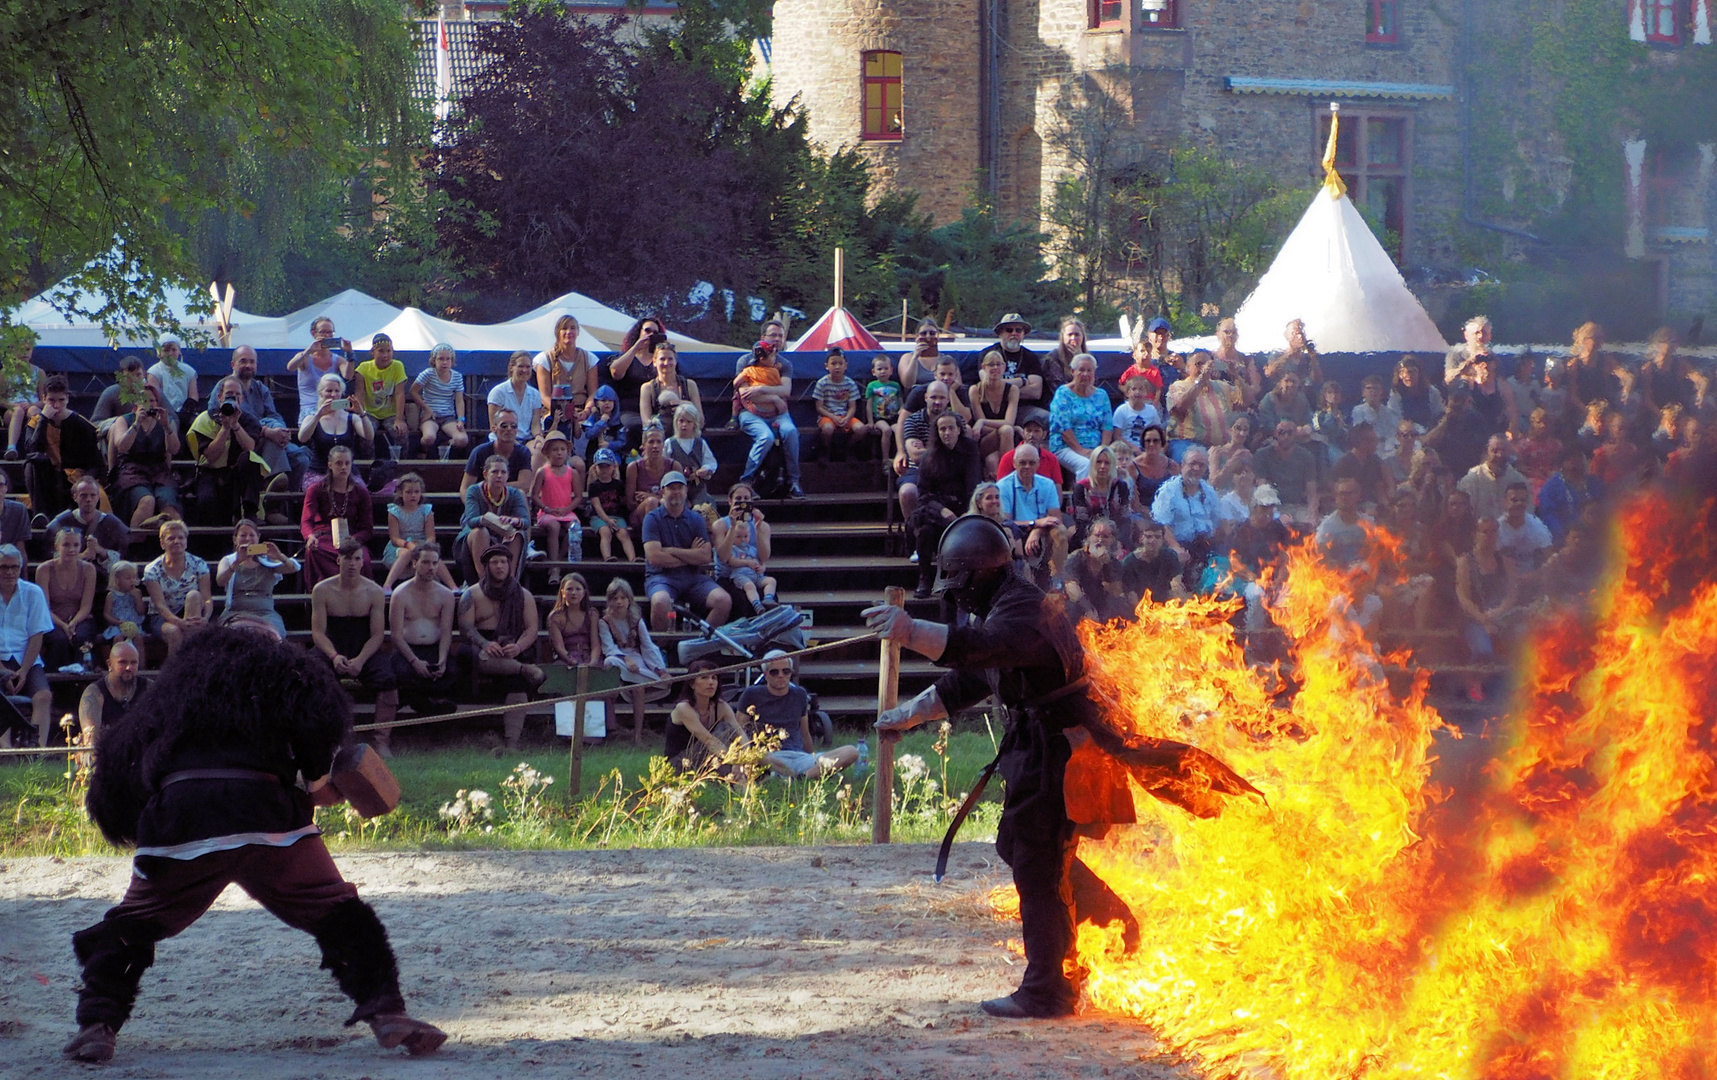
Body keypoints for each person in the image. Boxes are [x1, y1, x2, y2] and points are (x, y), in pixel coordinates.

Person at [866, 516, 1255, 1020]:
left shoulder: (1023, 612)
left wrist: (911, 630)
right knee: (1023, 846)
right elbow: (974, 677)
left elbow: (979, 648)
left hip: (1062, 752)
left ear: (983, 574)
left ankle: (1049, 990)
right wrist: (910, 715)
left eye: (962, 586)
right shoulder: (1004, 606)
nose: (959, 598)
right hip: (1043, 746)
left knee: (1037, 857)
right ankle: (1112, 922)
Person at [66, 627, 446, 1064]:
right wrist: (322, 784)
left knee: (132, 924)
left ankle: (97, 1025)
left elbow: (119, 773)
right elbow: (317, 744)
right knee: (338, 910)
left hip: (180, 818)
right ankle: (388, 1012)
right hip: (268, 817)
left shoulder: (167, 694)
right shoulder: (287, 677)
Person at [309, 538, 399, 751]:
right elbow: (318, 633)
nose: (352, 563)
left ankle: (381, 741)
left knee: (388, 679)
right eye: (348, 558)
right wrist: (333, 656)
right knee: (311, 676)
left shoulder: (374, 591)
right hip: (332, 645)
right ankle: (328, 739)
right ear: (338, 560)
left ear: (362, 562)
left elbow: (377, 635)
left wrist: (360, 659)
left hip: (363, 646)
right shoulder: (322, 590)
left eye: (357, 559)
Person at [459, 546, 546, 748]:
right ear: (486, 567)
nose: (500, 566)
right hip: (481, 645)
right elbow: (466, 628)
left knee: (517, 684)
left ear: (510, 565)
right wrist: (485, 643)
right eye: (495, 562)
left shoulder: (524, 595)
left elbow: (532, 630)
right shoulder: (471, 594)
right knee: (470, 654)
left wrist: (518, 647)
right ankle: (524, 669)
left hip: (512, 645)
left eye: (504, 562)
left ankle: (511, 743)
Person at [737, 650, 863, 778]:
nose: (781, 675)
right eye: (774, 672)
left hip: (798, 757)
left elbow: (805, 733)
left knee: (851, 751)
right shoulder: (751, 694)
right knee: (757, 755)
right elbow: (737, 731)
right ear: (765, 675)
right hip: (767, 755)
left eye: (786, 671)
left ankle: (801, 778)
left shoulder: (799, 694)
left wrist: (813, 758)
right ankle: (801, 776)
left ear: (791, 673)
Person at [642, 470, 732, 632]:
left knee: (723, 600)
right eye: (671, 488)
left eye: (680, 487)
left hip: (693, 578)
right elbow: (654, 558)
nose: (676, 492)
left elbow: (705, 556)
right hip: (661, 577)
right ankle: (662, 650)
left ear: (686, 491)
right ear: (663, 492)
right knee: (660, 601)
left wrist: (671, 551)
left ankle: (700, 645)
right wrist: (691, 554)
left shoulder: (696, 519)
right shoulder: (652, 518)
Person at [911, 413, 983, 596]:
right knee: (925, 529)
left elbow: (973, 485)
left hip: (964, 506)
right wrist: (942, 510)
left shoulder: (970, 449)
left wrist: (967, 513)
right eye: (942, 429)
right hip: (938, 509)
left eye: (951, 428)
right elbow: (924, 495)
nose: (947, 432)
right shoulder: (929, 457)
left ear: (959, 429)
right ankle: (925, 578)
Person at [389, 542, 466, 714]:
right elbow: (396, 636)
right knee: (404, 673)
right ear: (414, 563)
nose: (431, 568)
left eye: (434, 563)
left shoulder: (445, 595)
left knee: (452, 671)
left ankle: (426, 702)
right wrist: (414, 661)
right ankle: (424, 703)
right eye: (425, 562)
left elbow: (446, 631)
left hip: (434, 648)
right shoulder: (400, 594)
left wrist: (442, 659)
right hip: (407, 650)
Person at [186, 377, 268, 526]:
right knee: (207, 501)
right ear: (220, 397)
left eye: (237, 395)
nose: (233, 398)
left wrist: (235, 425)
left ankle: (250, 515)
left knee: (250, 459)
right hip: (210, 473)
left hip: (237, 475)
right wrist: (224, 428)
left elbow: (250, 447)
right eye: (229, 394)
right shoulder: (204, 419)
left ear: (242, 398)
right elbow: (210, 456)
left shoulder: (250, 420)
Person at [22, 375, 103, 522]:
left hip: (75, 478)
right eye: (52, 400)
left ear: (67, 398)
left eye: (61, 400)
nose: (57, 405)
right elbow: (32, 449)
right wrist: (44, 419)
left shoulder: (82, 425)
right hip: (46, 477)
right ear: (44, 398)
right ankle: (40, 515)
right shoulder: (36, 423)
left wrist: (85, 480)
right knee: (33, 462)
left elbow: (96, 463)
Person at [229, 345, 306, 497]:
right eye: (243, 361)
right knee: (272, 441)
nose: (248, 365)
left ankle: (285, 503)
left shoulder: (260, 388)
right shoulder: (226, 387)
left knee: (301, 459)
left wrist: (280, 431)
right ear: (233, 364)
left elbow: (274, 415)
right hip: (241, 441)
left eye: (252, 362)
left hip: (267, 436)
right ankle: (270, 501)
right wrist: (267, 431)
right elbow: (242, 418)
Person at [1455, 517, 1517, 702]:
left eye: (1493, 532)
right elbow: (1463, 597)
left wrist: (1495, 614)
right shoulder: (1465, 561)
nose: (1489, 536)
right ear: (1476, 534)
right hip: (1472, 618)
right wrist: (1483, 619)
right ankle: (1474, 684)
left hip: (1501, 616)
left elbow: (1511, 595)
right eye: (1485, 532)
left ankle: (1512, 690)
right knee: (1483, 649)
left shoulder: (1506, 561)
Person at [733, 339, 804, 499]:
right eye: (772, 336)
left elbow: (785, 391)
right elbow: (746, 394)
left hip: (779, 414)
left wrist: (762, 389)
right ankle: (747, 481)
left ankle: (793, 481)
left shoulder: (782, 365)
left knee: (790, 431)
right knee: (766, 437)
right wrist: (774, 398)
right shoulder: (746, 364)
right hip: (752, 413)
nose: (776, 341)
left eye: (780, 336)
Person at [0, 544, 52, 747]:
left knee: (43, 696)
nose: (9, 572)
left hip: (26, 658)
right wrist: (3, 671)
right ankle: (5, 751)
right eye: (3, 567)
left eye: (14, 567)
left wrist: (23, 670)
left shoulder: (33, 593)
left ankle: (37, 750)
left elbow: (37, 635)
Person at [895, 380, 967, 526]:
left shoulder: (957, 420)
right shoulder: (913, 420)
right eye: (933, 397)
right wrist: (945, 449)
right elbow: (915, 456)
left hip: (951, 472)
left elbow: (961, 451)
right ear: (926, 397)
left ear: (948, 399)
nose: (937, 402)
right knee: (907, 491)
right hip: (918, 472)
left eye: (941, 398)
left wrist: (926, 450)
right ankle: (914, 534)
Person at [109, 383, 182, 527]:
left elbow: (174, 449)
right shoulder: (124, 420)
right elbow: (122, 446)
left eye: (152, 401)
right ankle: (134, 543)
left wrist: (167, 427)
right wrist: (136, 424)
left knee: (169, 505)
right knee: (147, 501)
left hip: (159, 471)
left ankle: (176, 542)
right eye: (144, 401)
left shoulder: (167, 421)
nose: (149, 404)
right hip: (131, 471)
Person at [300, 445, 373, 588]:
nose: (343, 467)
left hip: (351, 539)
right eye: (339, 463)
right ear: (330, 464)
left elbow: (367, 528)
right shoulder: (316, 489)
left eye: (347, 463)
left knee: (363, 557)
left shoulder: (361, 492)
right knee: (314, 551)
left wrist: (355, 538)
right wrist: (310, 537)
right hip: (324, 537)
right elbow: (306, 521)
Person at [600, 577, 668, 727]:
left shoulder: (637, 621)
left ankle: (638, 734)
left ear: (629, 599)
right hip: (618, 659)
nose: (619, 602)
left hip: (638, 661)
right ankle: (622, 685)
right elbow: (608, 648)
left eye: (623, 598)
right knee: (609, 662)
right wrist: (625, 659)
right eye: (615, 598)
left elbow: (648, 646)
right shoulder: (604, 622)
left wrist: (660, 670)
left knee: (650, 683)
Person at [1151, 447, 1221, 591]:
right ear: (1182, 466)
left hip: (1205, 546)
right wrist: (1176, 548)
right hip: (1179, 546)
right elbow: (1162, 526)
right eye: (1192, 463)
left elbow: (1217, 523)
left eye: (1201, 465)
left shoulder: (1209, 492)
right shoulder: (1168, 491)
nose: (1196, 468)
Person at [215, 519, 299, 638]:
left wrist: (280, 556)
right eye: (243, 535)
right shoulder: (228, 560)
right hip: (235, 613)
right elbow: (220, 581)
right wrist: (237, 561)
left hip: (265, 613)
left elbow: (292, 568)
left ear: (258, 537)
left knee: (273, 635)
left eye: (252, 535)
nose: (248, 539)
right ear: (235, 539)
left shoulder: (267, 560)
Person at [996, 443, 1065, 585]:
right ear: (1014, 463)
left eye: (1032, 462)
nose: (1027, 466)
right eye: (1022, 462)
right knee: (1005, 531)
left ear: (1038, 464)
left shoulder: (1048, 484)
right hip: (1015, 533)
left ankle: (1057, 579)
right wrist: (1035, 523)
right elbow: (1005, 522)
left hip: (1042, 532)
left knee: (1061, 531)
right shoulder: (1003, 486)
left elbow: (1056, 518)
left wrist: (1037, 530)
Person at [1228, 485, 1291, 633]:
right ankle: (1253, 635)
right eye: (1263, 508)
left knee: (1289, 598)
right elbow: (1234, 561)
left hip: (1275, 579)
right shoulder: (1242, 530)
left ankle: (1286, 640)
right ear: (1254, 507)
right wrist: (1253, 578)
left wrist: (1279, 581)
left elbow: (1285, 558)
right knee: (1257, 595)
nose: (1267, 512)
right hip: (1248, 579)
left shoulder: (1278, 529)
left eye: (1270, 507)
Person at [142, 520, 210, 657]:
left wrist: (206, 618)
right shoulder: (152, 569)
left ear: (186, 541)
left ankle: (191, 666)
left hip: (192, 612)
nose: (176, 541)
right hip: (163, 617)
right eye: (171, 538)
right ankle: (176, 674)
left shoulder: (199, 564)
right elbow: (160, 605)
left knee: (194, 595)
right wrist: (179, 622)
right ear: (162, 543)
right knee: (174, 632)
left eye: (181, 537)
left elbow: (207, 598)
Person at [667, 659, 747, 774]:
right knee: (722, 731)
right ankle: (734, 778)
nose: (711, 682)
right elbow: (709, 741)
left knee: (727, 728)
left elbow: (739, 733)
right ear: (692, 684)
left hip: (710, 758)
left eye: (714, 678)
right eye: (704, 678)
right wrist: (734, 762)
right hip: (680, 764)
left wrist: (749, 757)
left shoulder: (721, 706)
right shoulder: (684, 708)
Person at [457, 454, 530, 581]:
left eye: (503, 472)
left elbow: (525, 521)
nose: (499, 475)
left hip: (503, 535)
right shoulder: (474, 491)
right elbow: (471, 520)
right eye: (495, 472)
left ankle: (509, 580)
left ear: (507, 475)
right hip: (475, 537)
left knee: (517, 534)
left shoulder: (514, 493)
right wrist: (485, 519)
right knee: (481, 532)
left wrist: (514, 520)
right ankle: (484, 579)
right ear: (485, 474)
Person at [381, 473, 455, 591]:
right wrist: (409, 545)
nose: (413, 495)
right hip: (400, 546)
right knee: (407, 553)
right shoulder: (394, 511)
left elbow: (431, 537)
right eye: (409, 492)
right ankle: (387, 585)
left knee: (433, 555)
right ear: (400, 493)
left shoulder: (426, 511)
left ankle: (453, 586)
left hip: (422, 543)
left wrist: (423, 546)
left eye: (416, 492)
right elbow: (394, 538)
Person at [297, 373, 373, 486]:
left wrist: (361, 413)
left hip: (347, 472)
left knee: (359, 491)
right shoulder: (311, 417)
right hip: (319, 471)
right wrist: (318, 416)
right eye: (329, 391)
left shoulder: (351, 418)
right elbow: (302, 438)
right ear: (320, 393)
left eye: (337, 391)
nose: (333, 395)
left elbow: (369, 435)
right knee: (320, 491)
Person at [47, 475, 131, 577]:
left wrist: (100, 550)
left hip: (104, 579)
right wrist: (82, 556)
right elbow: (52, 556)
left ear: (98, 497)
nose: (88, 499)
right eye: (83, 495)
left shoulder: (112, 522)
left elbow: (122, 557)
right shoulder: (61, 522)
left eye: (93, 495)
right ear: (75, 497)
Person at [37, 525, 96, 670]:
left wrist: (73, 624)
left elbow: (86, 606)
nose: (72, 550)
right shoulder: (44, 570)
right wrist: (64, 626)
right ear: (57, 546)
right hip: (52, 619)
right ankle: (57, 681)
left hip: (80, 619)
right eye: (66, 545)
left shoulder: (88, 569)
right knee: (59, 640)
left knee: (80, 637)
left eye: (76, 545)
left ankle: (83, 678)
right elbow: (44, 608)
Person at [1046, 354, 1111, 482]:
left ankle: (1112, 500)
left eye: (1089, 370)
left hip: (1096, 448)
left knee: (1117, 463)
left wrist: (1102, 450)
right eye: (1081, 370)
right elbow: (1064, 428)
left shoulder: (1101, 395)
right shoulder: (1063, 393)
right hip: (1066, 447)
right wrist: (1081, 450)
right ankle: (1084, 500)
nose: (1085, 374)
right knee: (1085, 465)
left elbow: (1107, 426)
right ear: (1072, 371)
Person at [713, 484, 776, 612]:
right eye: (738, 499)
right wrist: (732, 527)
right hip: (729, 576)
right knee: (742, 599)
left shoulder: (763, 527)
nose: (743, 503)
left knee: (769, 596)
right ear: (730, 501)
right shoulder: (720, 525)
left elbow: (764, 557)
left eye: (746, 499)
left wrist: (758, 528)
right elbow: (724, 557)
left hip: (754, 575)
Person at [535, 316, 598, 439]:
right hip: (554, 413)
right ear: (557, 333)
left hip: (580, 411)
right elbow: (544, 396)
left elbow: (593, 393)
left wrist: (586, 411)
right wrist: (562, 412)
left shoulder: (588, 359)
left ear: (578, 332)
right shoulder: (544, 359)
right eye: (564, 328)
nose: (569, 332)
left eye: (573, 328)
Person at [75, 639, 144, 748]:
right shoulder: (94, 693)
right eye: (123, 662)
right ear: (109, 664)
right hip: (107, 754)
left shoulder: (149, 689)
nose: (128, 668)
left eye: (133, 663)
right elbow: (90, 740)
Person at [1166, 350, 1240, 452]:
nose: (1203, 368)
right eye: (1199, 364)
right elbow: (1180, 406)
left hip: (1221, 446)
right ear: (1188, 366)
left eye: (1207, 364)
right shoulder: (1178, 386)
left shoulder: (1222, 386)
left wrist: (1236, 377)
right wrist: (1201, 381)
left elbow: (1246, 401)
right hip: (1188, 443)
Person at [531, 430, 583, 576]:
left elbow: (578, 497)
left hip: (566, 511)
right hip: (548, 512)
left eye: (562, 450)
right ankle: (554, 565)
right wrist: (546, 508)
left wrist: (566, 509)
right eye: (555, 450)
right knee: (554, 526)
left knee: (574, 527)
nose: (559, 453)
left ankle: (559, 560)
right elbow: (534, 495)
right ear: (547, 453)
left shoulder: (572, 472)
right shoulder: (542, 472)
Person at [1061, 518, 1131, 624]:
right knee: (1072, 608)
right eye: (1097, 535)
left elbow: (1115, 592)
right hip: (1079, 604)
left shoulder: (1114, 563)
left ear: (1113, 540)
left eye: (1105, 536)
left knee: (1120, 604)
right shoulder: (1075, 558)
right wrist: (1088, 610)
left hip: (1101, 604)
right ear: (1089, 538)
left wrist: (1106, 564)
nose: (1100, 540)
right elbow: (1072, 589)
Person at [288, 317, 356, 425]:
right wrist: (309, 350)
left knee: (351, 421)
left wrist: (350, 353)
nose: (326, 336)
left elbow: (348, 375)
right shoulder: (305, 357)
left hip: (333, 407)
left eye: (330, 332)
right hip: (310, 409)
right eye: (323, 332)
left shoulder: (337, 360)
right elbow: (291, 367)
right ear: (314, 333)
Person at [354, 333, 410, 459]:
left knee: (401, 433)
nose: (385, 355)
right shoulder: (363, 368)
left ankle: (400, 466)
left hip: (390, 413)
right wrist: (360, 415)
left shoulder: (397, 366)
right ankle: (369, 466)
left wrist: (399, 419)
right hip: (370, 413)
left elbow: (399, 393)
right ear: (372, 352)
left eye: (389, 351)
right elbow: (359, 393)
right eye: (381, 351)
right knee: (365, 434)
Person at [1254, 419, 1320, 523]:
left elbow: (1312, 491)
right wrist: (1275, 513)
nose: (1286, 436)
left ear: (1295, 434)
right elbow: (1262, 489)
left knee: (1311, 525)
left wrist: (1312, 515)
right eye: (1281, 432)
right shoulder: (1263, 455)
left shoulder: (1306, 456)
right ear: (1275, 434)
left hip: (1299, 507)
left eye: (1290, 433)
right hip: (1273, 508)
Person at [409, 343, 469, 457]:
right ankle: (422, 450)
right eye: (441, 359)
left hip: (448, 416)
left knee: (462, 440)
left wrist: (461, 419)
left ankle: (445, 445)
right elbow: (413, 391)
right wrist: (426, 409)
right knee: (429, 437)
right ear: (434, 360)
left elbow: (459, 400)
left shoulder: (457, 376)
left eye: (448, 359)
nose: (445, 362)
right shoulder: (428, 374)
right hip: (430, 416)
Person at [459, 407, 532, 498]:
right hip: (482, 500)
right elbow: (465, 488)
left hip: (511, 501)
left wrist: (493, 486)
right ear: (494, 428)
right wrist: (472, 509)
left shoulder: (523, 452)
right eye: (504, 426)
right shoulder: (479, 452)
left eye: (513, 426)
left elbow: (524, 485)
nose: (509, 429)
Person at [812, 347, 869, 461]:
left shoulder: (850, 383)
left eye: (840, 363)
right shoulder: (822, 383)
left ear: (845, 366)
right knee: (827, 429)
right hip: (827, 416)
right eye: (833, 363)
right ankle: (825, 450)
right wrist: (833, 417)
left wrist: (847, 418)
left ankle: (849, 449)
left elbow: (852, 407)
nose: (837, 366)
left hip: (845, 415)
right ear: (827, 366)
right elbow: (819, 407)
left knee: (861, 429)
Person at [969, 349, 1020, 475]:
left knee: (992, 460)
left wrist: (982, 421)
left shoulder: (1012, 390)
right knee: (1007, 430)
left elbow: (1009, 421)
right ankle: (1010, 478)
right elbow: (984, 429)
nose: (995, 367)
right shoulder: (975, 390)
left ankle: (1003, 484)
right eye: (991, 364)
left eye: (999, 364)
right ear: (984, 367)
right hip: (985, 440)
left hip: (1005, 440)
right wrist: (1014, 428)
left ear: (1004, 367)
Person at [608, 316, 664, 430]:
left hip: (656, 409)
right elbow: (616, 373)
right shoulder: (626, 357)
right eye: (647, 330)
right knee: (634, 426)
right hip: (630, 410)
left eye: (655, 332)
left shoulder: (661, 360)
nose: (651, 334)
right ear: (639, 332)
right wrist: (636, 347)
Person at [1456, 435, 1528, 521]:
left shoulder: (1518, 479)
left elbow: (1527, 513)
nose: (1500, 455)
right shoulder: (1472, 479)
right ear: (1486, 452)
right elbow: (1465, 514)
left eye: (1503, 450)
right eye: (1495, 450)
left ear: (1510, 453)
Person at [983, 313, 1047, 408]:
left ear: (1023, 334)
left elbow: (1036, 392)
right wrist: (1022, 381)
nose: (1014, 333)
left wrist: (1004, 390)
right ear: (1000, 333)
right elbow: (989, 385)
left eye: (1018, 330)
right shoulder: (987, 353)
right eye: (1009, 330)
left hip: (1024, 408)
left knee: (1042, 418)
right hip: (995, 407)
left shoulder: (1031, 357)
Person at [584, 447, 636, 561]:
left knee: (623, 533)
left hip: (616, 516)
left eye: (607, 466)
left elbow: (623, 500)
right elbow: (596, 506)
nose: (604, 469)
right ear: (595, 468)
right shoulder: (594, 486)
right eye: (600, 466)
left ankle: (632, 558)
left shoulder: (618, 485)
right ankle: (607, 557)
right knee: (605, 532)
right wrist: (607, 520)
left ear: (613, 467)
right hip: (599, 517)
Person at [639, 340, 702, 431]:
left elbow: (700, 419)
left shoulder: (690, 385)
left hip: (686, 433)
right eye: (662, 359)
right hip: (659, 435)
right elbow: (646, 422)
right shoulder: (647, 388)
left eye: (670, 359)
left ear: (675, 361)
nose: (666, 363)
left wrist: (686, 406)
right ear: (654, 362)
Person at [1329, 422, 1393, 510]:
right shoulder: (1343, 464)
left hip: (1371, 504)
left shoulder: (1374, 460)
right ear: (1362, 442)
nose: (1376, 443)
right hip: (1350, 507)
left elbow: (1382, 485)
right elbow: (1335, 493)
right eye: (1373, 440)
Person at [664, 404, 717, 508]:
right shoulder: (669, 443)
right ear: (676, 422)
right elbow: (664, 462)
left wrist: (705, 469)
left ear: (694, 424)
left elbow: (711, 462)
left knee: (702, 508)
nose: (684, 425)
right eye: (681, 421)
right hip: (676, 486)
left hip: (697, 486)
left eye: (688, 422)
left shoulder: (700, 443)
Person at [1314, 478, 1372, 570]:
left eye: (1349, 494)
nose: (1344, 497)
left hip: (1364, 573)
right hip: (1337, 575)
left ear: (1358, 496)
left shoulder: (1368, 524)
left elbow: (1374, 554)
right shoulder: (1326, 527)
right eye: (1341, 494)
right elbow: (1323, 557)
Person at [488, 350, 547, 441]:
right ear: (512, 367)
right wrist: (515, 444)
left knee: (539, 450)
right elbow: (494, 425)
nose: (524, 370)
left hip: (527, 439)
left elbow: (535, 424)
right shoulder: (498, 392)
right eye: (520, 366)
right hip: (502, 438)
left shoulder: (535, 394)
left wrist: (539, 437)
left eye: (528, 366)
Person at [145, 334, 199, 432]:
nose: (170, 353)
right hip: (163, 413)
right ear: (159, 353)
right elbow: (155, 396)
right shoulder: (154, 372)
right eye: (166, 350)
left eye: (174, 350)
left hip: (185, 413)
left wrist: (186, 411)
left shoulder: (189, 371)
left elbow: (193, 396)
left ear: (179, 351)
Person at [545, 572, 600, 670]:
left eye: (578, 589)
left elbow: (595, 644)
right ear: (563, 592)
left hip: (588, 657)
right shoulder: (556, 617)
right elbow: (559, 647)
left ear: (584, 593)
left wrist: (593, 662)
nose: (574, 593)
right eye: (569, 589)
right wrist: (574, 663)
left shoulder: (592, 614)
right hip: (566, 660)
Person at [1495, 481, 1553, 569]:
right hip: (1504, 578)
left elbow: (1549, 557)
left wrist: (1537, 575)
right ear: (1505, 502)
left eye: (1523, 500)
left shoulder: (1537, 525)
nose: (1519, 503)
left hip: (1533, 578)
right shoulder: (1496, 528)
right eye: (1514, 500)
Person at [625, 423, 671, 529]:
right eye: (651, 442)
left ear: (663, 444)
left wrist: (653, 496)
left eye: (659, 442)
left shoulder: (673, 466)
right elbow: (630, 503)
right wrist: (651, 500)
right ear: (644, 445)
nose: (655, 446)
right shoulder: (634, 467)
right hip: (640, 513)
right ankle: (651, 540)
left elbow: (679, 497)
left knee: (660, 502)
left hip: (666, 509)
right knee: (651, 503)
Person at [101, 560, 149, 654]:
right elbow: (106, 614)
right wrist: (117, 622)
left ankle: (142, 667)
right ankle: (118, 662)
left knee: (138, 638)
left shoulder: (137, 593)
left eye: (134, 578)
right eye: (128, 578)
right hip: (117, 626)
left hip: (134, 625)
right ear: (117, 580)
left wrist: (137, 598)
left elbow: (141, 611)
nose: (132, 581)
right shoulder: (111, 595)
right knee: (118, 639)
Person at [1351, 375, 1404, 457]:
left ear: (1381, 392)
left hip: (1389, 451)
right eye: (1369, 388)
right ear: (1363, 392)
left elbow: (1394, 432)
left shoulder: (1388, 412)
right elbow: (1360, 436)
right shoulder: (1358, 411)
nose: (1373, 391)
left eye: (1376, 388)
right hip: (1369, 452)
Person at [1388, 356, 1445, 431]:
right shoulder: (1396, 394)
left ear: (1419, 373)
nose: (1407, 375)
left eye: (1411, 371)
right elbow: (1395, 420)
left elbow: (1439, 414)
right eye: (1402, 372)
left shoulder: (1431, 392)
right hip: (1406, 435)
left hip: (1430, 434)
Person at [865, 353, 904, 461]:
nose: (883, 371)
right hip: (879, 417)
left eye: (886, 368)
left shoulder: (895, 385)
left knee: (899, 431)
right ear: (874, 372)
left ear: (891, 370)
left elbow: (900, 400)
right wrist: (870, 421)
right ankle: (885, 459)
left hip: (894, 417)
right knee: (886, 430)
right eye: (879, 369)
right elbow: (868, 405)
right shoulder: (872, 386)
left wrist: (901, 409)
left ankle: (899, 457)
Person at [1264, 318, 1323, 386]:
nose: (1300, 337)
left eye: (1301, 333)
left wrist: (1313, 360)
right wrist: (1290, 352)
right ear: (1288, 337)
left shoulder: (1307, 358)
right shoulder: (1277, 355)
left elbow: (1318, 380)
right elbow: (1269, 373)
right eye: (1295, 334)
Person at [1444, 314, 1495, 386]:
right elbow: (1448, 379)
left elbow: (1502, 383)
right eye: (1477, 333)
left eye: (1485, 333)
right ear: (1466, 335)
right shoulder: (1457, 353)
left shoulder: (1491, 356)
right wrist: (1469, 362)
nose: (1480, 336)